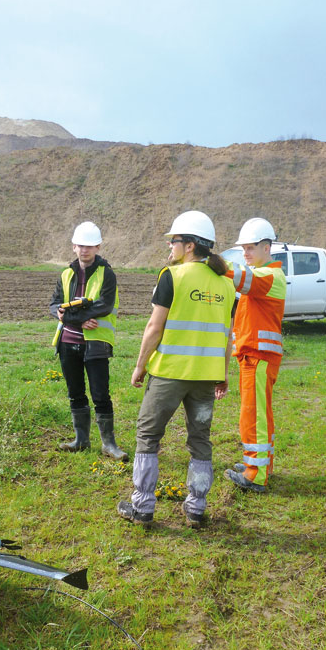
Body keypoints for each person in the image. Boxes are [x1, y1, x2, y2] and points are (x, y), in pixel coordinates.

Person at [117, 210, 236, 529]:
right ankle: (196, 507)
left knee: (148, 435)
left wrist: (140, 366)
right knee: (201, 440)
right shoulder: (226, 286)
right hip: (205, 379)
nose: (170, 247)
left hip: (169, 374)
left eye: (174, 241)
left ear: (190, 246)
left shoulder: (172, 276)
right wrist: (223, 374)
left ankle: (142, 506)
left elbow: (155, 327)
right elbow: (227, 336)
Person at [50, 221, 128, 461]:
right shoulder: (66, 274)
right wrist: (79, 321)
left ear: (98, 247)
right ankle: (81, 440)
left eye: (90, 246)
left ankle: (109, 444)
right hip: (67, 343)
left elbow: (104, 305)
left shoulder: (107, 274)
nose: (85, 250)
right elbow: (54, 305)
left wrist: (72, 317)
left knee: (100, 395)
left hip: (96, 344)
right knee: (75, 393)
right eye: (81, 245)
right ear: (74, 246)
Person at [223, 217, 286, 493]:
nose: (245, 254)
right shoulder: (264, 275)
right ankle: (261, 463)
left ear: (266, 248)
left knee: (253, 414)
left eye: (250, 248)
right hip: (256, 356)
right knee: (261, 412)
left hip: (258, 357)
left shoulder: (267, 275)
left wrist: (210, 261)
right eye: (243, 249)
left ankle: (256, 474)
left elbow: (239, 277)